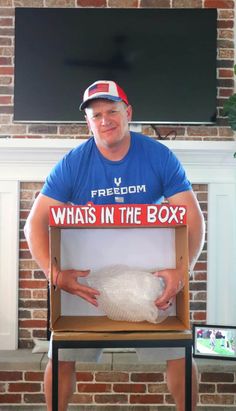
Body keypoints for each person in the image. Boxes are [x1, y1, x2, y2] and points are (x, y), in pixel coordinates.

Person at [24, 80, 205, 411]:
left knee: (179, 352)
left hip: (148, 279)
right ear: (88, 123)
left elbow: (193, 217)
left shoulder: (158, 155)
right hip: (90, 281)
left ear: (128, 112)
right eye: (96, 115)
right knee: (61, 355)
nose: (105, 120)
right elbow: (34, 223)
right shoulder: (74, 162)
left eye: (112, 111)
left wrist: (182, 270)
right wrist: (56, 275)